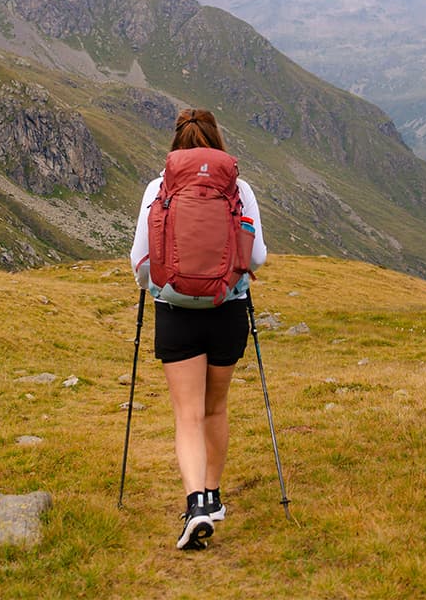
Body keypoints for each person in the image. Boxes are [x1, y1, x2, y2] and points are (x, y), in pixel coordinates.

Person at [130, 108, 268, 551]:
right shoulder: (239, 189)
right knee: (216, 408)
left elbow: (141, 257)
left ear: (176, 142)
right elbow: (258, 256)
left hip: (176, 313)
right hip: (227, 309)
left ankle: (195, 506)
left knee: (187, 415)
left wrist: (148, 284)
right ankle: (214, 494)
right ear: (216, 140)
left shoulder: (158, 188)